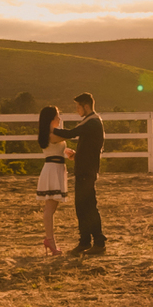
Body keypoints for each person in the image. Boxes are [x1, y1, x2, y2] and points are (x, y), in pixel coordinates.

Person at [52, 92, 107, 254]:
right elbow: (91, 147)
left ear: (86, 106)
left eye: (78, 107)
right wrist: (78, 155)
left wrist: (52, 129)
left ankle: (96, 241)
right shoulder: (91, 122)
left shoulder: (92, 123)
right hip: (85, 169)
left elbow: (70, 133)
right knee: (83, 206)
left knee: (87, 206)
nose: (77, 110)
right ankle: (87, 241)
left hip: (86, 171)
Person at [36, 106, 74, 255]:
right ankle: (50, 240)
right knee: (50, 208)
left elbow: (56, 148)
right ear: (51, 119)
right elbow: (68, 135)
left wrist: (66, 151)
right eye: (57, 116)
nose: (59, 119)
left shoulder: (51, 135)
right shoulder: (51, 135)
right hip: (52, 169)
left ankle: (50, 240)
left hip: (56, 167)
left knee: (52, 207)